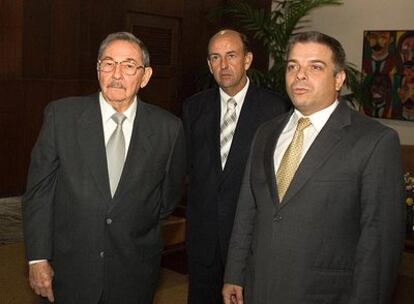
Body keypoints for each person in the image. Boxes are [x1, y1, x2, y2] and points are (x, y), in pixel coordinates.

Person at [223, 31, 405, 304]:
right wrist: (234, 273)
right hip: (260, 286)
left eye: (315, 67)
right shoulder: (266, 132)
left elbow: (378, 245)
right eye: (293, 66)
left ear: (339, 79)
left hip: (325, 294)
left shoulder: (374, 141)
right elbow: (247, 209)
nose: (300, 75)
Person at [22, 32, 186, 304]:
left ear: (145, 76)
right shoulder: (61, 117)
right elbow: (38, 194)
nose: (117, 74)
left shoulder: (168, 129)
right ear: (98, 69)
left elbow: (166, 200)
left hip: (134, 271)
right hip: (70, 270)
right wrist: (37, 258)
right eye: (108, 63)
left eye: (128, 65)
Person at [183, 29, 289, 304]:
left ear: (247, 60)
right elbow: (186, 171)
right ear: (209, 65)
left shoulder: (275, 110)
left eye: (231, 56)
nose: (223, 65)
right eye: (215, 58)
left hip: (251, 244)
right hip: (203, 243)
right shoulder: (193, 108)